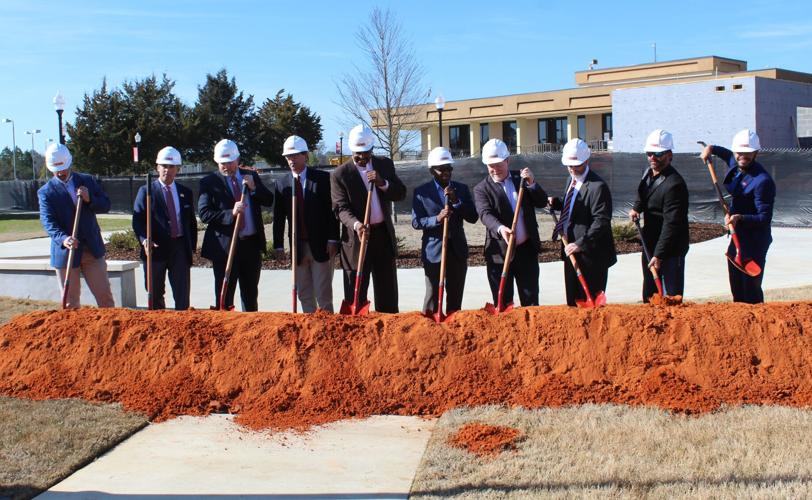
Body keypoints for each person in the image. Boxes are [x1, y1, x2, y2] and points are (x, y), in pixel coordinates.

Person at [330, 124, 406, 313]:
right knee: (356, 293)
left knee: (387, 292)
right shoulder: (340, 174)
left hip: (382, 236)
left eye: (366, 153)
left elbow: (401, 193)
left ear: (372, 149)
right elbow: (340, 208)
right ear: (351, 150)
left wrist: (383, 183)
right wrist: (356, 224)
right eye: (358, 154)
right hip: (357, 240)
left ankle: (388, 331)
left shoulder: (384, 164)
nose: (363, 158)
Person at [700, 129, 775, 303]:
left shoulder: (762, 181)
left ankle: (757, 324)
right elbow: (726, 154)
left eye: (748, 153)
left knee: (750, 291)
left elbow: (764, 218)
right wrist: (710, 148)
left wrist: (739, 217)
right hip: (737, 236)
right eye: (739, 152)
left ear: (756, 153)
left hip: (755, 241)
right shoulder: (737, 162)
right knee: (736, 289)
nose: (743, 156)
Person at [198, 139, 274, 311]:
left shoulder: (250, 176)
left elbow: (269, 200)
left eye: (229, 163)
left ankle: (249, 330)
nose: (225, 167)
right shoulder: (209, 183)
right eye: (221, 163)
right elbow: (204, 213)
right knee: (225, 296)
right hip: (226, 248)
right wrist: (229, 214)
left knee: (250, 295)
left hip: (251, 246)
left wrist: (254, 189)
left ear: (237, 160)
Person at [38, 143, 115, 308]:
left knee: (105, 298)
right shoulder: (46, 192)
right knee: (70, 304)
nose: (60, 172)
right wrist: (63, 238)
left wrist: (90, 199)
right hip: (66, 253)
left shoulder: (87, 180)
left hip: (91, 250)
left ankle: (113, 332)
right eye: (56, 169)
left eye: (63, 168)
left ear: (70, 163)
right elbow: (48, 221)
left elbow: (106, 204)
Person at [473, 138, 548, 307]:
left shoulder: (520, 179)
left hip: (526, 251)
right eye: (491, 165)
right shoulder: (481, 189)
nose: (495, 169)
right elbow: (484, 214)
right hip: (500, 253)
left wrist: (532, 184)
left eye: (499, 164)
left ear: (507, 160)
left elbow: (542, 202)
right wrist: (500, 229)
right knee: (503, 304)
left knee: (530, 301)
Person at [273, 135, 340, 312]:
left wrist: (333, 239)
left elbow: (332, 212)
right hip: (298, 246)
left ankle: (326, 331)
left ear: (306, 155)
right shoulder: (282, 184)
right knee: (304, 293)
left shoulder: (323, 179)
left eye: (295, 155)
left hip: (321, 245)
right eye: (288, 157)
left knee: (323, 293)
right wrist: (278, 245)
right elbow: (278, 217)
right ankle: (309, 328)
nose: (291, 160)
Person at [549, 138, 616, 307]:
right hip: (571, 251)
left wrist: (581, 243)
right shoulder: (570, 180)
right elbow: (571, 206)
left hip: (591, 256)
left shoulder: (597, 187)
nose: (571, 169)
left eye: (576, 165)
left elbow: (601, 221)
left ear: (586, 161)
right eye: (569, 165)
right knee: (572, 303)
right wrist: (557, 203)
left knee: (591, 307)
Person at [411, 147, 478, 314]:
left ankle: (453, 328)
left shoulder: (461, 189)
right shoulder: (421, 192)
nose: (446, 172)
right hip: (434, 251)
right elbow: (416, 222)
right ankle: (429, 330)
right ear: (432, 170)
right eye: (442, 169)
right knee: (433, 294)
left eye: (449, 168)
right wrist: (437, 219)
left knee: (455, 295)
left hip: (457, 250)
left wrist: (456, 202)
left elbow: (473, 217)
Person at [132, 146, 198, 310]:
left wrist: (191, 248)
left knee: (182, 295)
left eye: (171, 167)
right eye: (163, 166)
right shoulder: (146, 191)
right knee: (154, 294)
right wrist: (144, 240)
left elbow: (191, 222)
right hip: (155, 249)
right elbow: (137, 221)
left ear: (177, 169)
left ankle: (182, 326)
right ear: (157, 167)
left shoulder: (185, 192)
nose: (167, 170)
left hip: (179, 249)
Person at [629, 129, 689, 301]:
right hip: (650, 242)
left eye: (658, 154)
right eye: (649, 153)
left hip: (670, 249)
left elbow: (672, 224)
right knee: (650, 291)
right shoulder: (648, 173)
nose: (652, 158)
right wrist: (637, 208)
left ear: (669, 155)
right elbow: (643, 194)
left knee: (671, 296)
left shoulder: (674, 184)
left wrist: (659, 254)